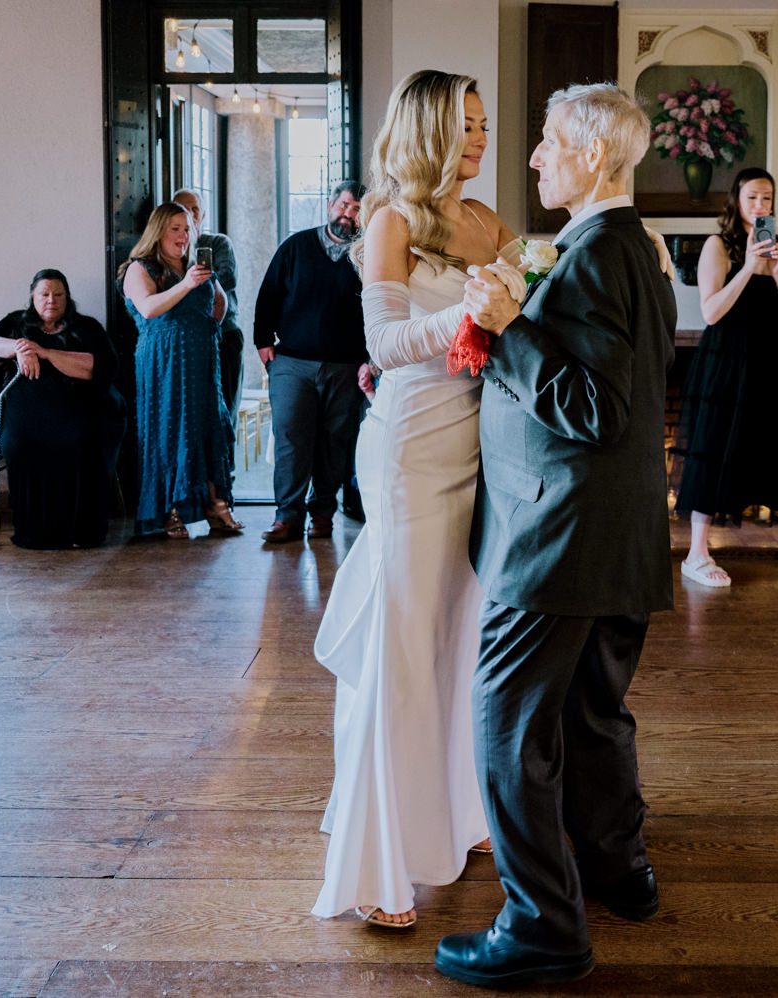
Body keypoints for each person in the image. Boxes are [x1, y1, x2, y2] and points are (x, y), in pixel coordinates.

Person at [436, 82, 677, 988]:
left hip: (558, 535)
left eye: (547, 141)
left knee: (507, 725)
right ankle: (619, 873)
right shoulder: (632, 248)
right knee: (591, 713)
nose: (534, 156)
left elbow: (597, 410)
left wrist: (505, 332)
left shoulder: (596, 256)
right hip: (615, 530)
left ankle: (541, 924)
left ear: (594, 157)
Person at [311, 70, 514, 931]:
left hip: (475, 447)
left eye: (483, 124)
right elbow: (385, 342)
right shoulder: (390, 220)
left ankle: (453, 814)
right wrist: (468, 316)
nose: (480, 138)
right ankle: (377, 863)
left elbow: (533, 301)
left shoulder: (488, 222)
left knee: (456, 638)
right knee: (404, 641)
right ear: (428, 130)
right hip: (409, 450)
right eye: (466, 125)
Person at [673, 167, 778, 587]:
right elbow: (711, 311)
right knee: (713, 446)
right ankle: (697, 553)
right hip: (727, 360)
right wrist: (748, 267)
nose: (760, 205)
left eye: (767, 198)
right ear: (737, 200)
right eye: (752, 197)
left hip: (772, 359)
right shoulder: (719, 246)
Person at [253, 181, 369, 543]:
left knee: (335, 441)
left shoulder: (368, 255)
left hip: (347, 366)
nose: (348, 215)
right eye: (344, 206)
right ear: (330, 205)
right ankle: (287, 517)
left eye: (356, 210)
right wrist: (262, 340)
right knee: (290, 438)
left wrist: (370, 359)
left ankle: (322, 515)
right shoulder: (297, 246)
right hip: (292, 362)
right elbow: (269, 294)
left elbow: (378, 308)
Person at [120, 202, 242, 539]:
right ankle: (170, 508)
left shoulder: (196, 267)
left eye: (187, 229)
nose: (183, 235)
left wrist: (206, 326)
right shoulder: (140, 268)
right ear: (158, 232)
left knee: (208, 425)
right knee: (169, 428)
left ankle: (215, 503)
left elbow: (220, 302)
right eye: (175, 228)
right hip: (163, 361)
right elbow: (148, 308)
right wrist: (186, 285)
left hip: (200, 358)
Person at [0, 270, 123, 549]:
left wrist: (45, 353)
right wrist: (20, 347)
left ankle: (80, 531)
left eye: (58, 294)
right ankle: (32, 530)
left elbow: (101, 366)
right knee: (19, 442)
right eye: (44, 294)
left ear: (67, 297)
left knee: (80, 440)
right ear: (32, 296)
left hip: (76, 409)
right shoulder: (15, 322)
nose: (51, 300)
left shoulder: (87, 327)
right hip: (24, 410)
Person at [171, 189, 244, 461]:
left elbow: (226, 279)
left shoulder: (218, 243)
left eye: (195, 210)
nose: (190, 215)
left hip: (223, 336)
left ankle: (226, 474)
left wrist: (186, 286)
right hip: (185, 341)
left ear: (203, 215)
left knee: (224, 407)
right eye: (183, 208)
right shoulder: (169, 252)